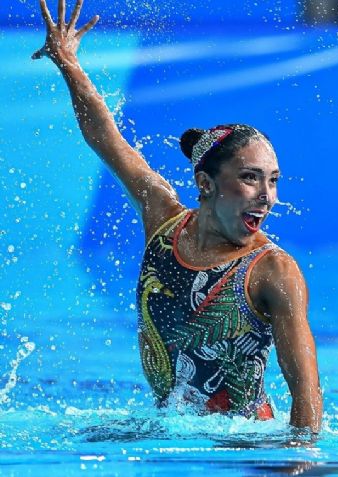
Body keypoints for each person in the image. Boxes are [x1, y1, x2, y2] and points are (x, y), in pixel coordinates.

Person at [32, 0, 322, 432]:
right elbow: (106, 139)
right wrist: (69, 63)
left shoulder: (274, 270)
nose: (267, 197)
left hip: (242, 444)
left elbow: (307, 393)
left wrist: (301, 460)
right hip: (169, 427)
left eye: (274, 181)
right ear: (206, 184)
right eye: (250, 178)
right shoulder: (163, 218)